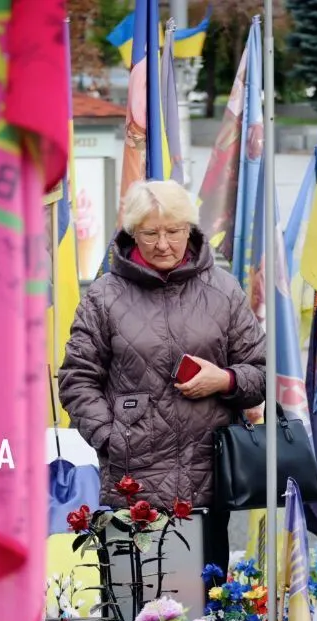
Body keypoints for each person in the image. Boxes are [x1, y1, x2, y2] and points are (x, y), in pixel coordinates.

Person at [59, 179, 266, 573]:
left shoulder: (223, 290)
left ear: (190, 229)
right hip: (132, 485)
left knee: (205, 612)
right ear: (132, 234)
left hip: (208, 480)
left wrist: (223, 380)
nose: (163, 244)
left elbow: (261, 371)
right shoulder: (104, 296)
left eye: (173, 231)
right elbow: (76, 378)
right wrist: (110, 437)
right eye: (150, 233)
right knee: (133, 610)